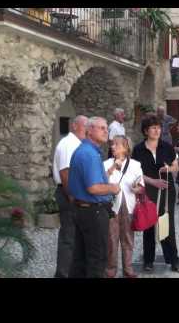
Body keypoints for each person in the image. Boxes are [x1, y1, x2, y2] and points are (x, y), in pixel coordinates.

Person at [68, 117, 121, 278]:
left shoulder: (88, 151)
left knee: (81, 257)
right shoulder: (89, 154)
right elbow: (93, 188)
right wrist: (113, 188)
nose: (106, 131)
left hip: (84, 210)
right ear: (89, 130)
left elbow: (95, 180)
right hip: (93, 213)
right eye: (101, 128)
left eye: (106, 128)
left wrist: (110, 171)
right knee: (97, 258)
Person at [132, 115, 179, 273]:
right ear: (146, 131)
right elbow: (136, 173)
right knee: (148, 225)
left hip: (166, 191)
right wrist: (153, 182)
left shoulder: (167, 146)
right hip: (148, 190)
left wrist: (168, 169)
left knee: (166, 224)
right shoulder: (138, 149)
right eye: (153, 128)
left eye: (158, 127)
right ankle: (148, 260)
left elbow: (176, 167)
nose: (157, 130)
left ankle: (173, 259)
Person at [52, 115, 88, 278]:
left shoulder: (76, 143)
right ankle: (63, 274)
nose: (87, 129)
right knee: (68, 236)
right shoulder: (68, 144)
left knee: (75, 236)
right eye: (84, 125)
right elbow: (65, 173)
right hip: (69, 194)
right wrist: (73, 198)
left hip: (74, 193)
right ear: (74, 126)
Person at [104, 135, 144, 278]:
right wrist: (113, 166)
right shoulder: (106, 163)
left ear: (126, 148)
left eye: (116, 144)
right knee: (111, 239)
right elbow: (101, 181)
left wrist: (137, 189)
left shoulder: (135, 164)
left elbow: (141, 186)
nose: (112, 147)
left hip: (129, 205)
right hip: (111, 207)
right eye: (112, 144)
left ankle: (128, 269)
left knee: (128, 238)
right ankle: (110, 270)